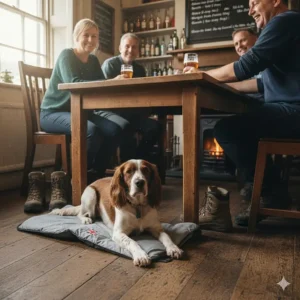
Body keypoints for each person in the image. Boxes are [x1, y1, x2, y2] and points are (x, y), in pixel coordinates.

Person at [183, 0, 300, 226]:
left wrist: (202, 77)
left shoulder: (283, 21)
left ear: (276, 1)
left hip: (294, 112)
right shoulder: (287, 26)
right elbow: (260, 85)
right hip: (290, 109)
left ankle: (270, 192)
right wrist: (219, 86)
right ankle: (268, 189)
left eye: (255, 2)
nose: (250, 10)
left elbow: (246, 66)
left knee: (228, 130)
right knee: (237, 126)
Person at [40, 19, 131, 184]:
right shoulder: (66, 55)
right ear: (76, 36)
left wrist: (112, 84)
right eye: (86, 35)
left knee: (119, 127)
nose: (91, 40)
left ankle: (96, 175)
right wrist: (109, 82)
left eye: (94, 36)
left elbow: (101, 88)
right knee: (91, 131)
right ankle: (76, 179)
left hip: (82, 112)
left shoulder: (94, 61)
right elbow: (73, 83)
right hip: (52, 113)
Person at [101, 33, 161, 164]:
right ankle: (127, 165)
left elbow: (142, 94)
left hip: (132, 113)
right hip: (113, 113)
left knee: (155, 127)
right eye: (127, 46)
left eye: (134, 47)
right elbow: (102, 94)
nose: (130, 50)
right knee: (126, 129)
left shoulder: (140, 69)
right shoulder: (110, 65)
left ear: (138, 51)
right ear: (120, 48)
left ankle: (137, 160)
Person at [232, 27, 264, 102]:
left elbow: (264, 84)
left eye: (243, 40)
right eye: (236, 44)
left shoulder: (265, 58)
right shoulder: (239, 67)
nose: (239, 46)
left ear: (256, 39)